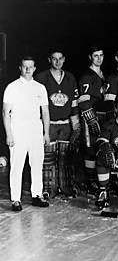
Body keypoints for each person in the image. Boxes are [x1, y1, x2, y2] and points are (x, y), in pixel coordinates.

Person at [2, 56, 50, 211]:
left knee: (37, 164)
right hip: (18, 130)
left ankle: (37, 195)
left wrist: (46, 133)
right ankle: (16, 199)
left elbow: (45, 112)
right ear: (20, 68)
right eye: (25, 66)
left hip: (36, 130)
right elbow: (5, 113)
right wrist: (9, 134)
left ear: (35, 69)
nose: (28, 69)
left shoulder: (40, 88)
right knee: (17, 165)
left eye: (31, 67)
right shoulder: (12, 87)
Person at [35, 50, 80, 197]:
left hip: (65, 124)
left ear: (64, 59)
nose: (57, 62)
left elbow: (74, 104)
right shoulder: (41, 78)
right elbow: (37, 105)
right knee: (48, 159)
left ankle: (66, 187)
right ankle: (48, 189)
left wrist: (76, 127)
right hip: (49, 124)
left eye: (60, 58)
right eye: (54, 59)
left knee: (66, 158)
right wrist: (42, 127)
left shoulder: (70, 78)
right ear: (49, 60)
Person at [78, 45, 106, 194]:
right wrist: (90, 119)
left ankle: (100, 179)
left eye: (101, 55)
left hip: (101, 116)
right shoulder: (87, 75)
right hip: (90, 117)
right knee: (90, 149)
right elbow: (83, 100)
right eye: (96, 56)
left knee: (100, 147)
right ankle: (89, 181)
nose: (99, 58)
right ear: (90, 57)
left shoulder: (102, 74)